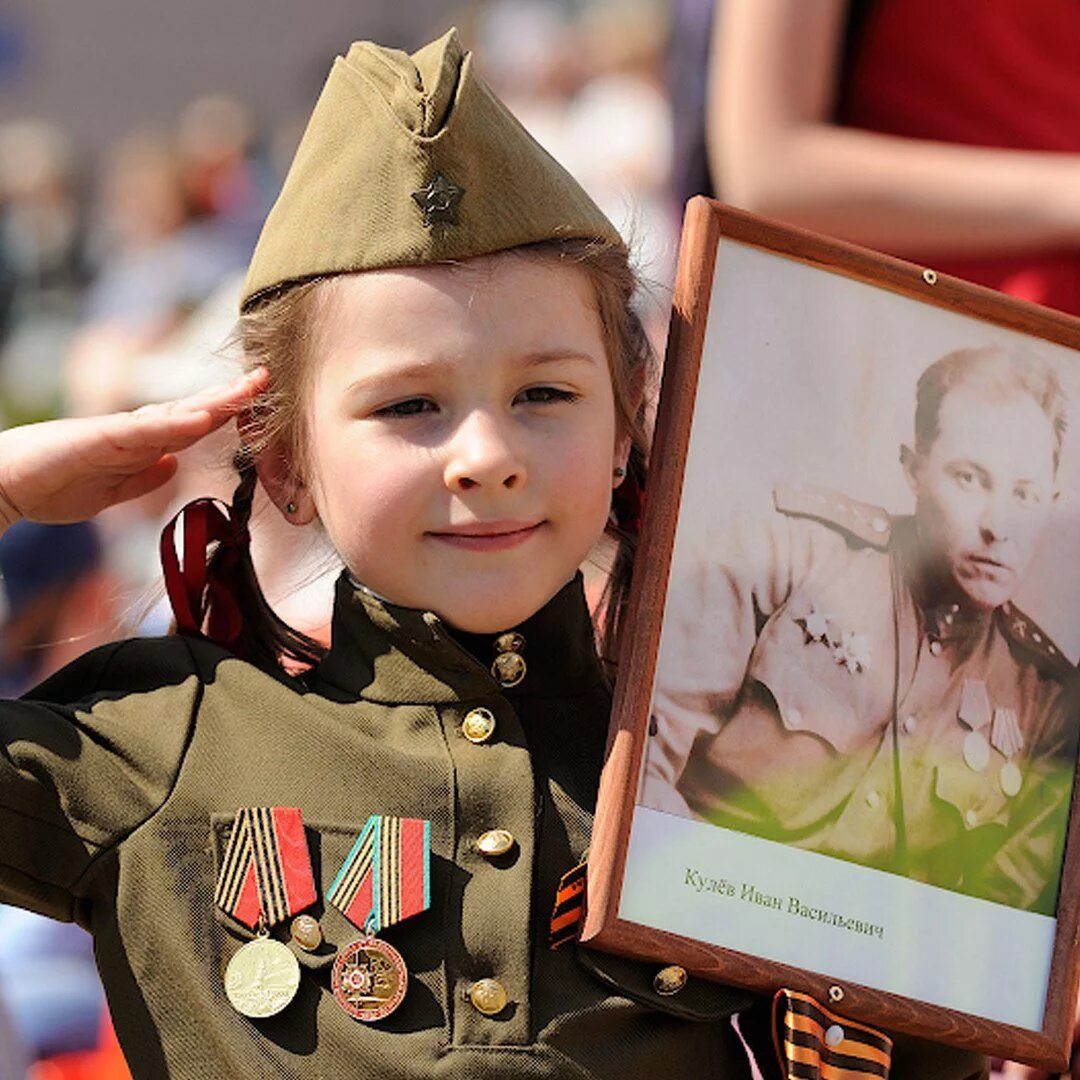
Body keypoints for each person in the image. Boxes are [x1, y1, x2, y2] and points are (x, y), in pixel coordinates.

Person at [0, 30, 987, 1080]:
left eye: (545, 395)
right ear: (284, 458)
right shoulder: (169, 738)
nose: (488, 456)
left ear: (627, 430)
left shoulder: (757, 765)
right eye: (410, 404)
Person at [643, 346, 1079, 914]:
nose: (998, 525)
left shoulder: (1049, 701)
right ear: (913, 470)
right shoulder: (788, 554)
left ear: (1051, 502)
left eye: (1023, 495)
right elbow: (642, 772)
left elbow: (1000, 932)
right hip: (696, 929)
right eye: (970, 479)